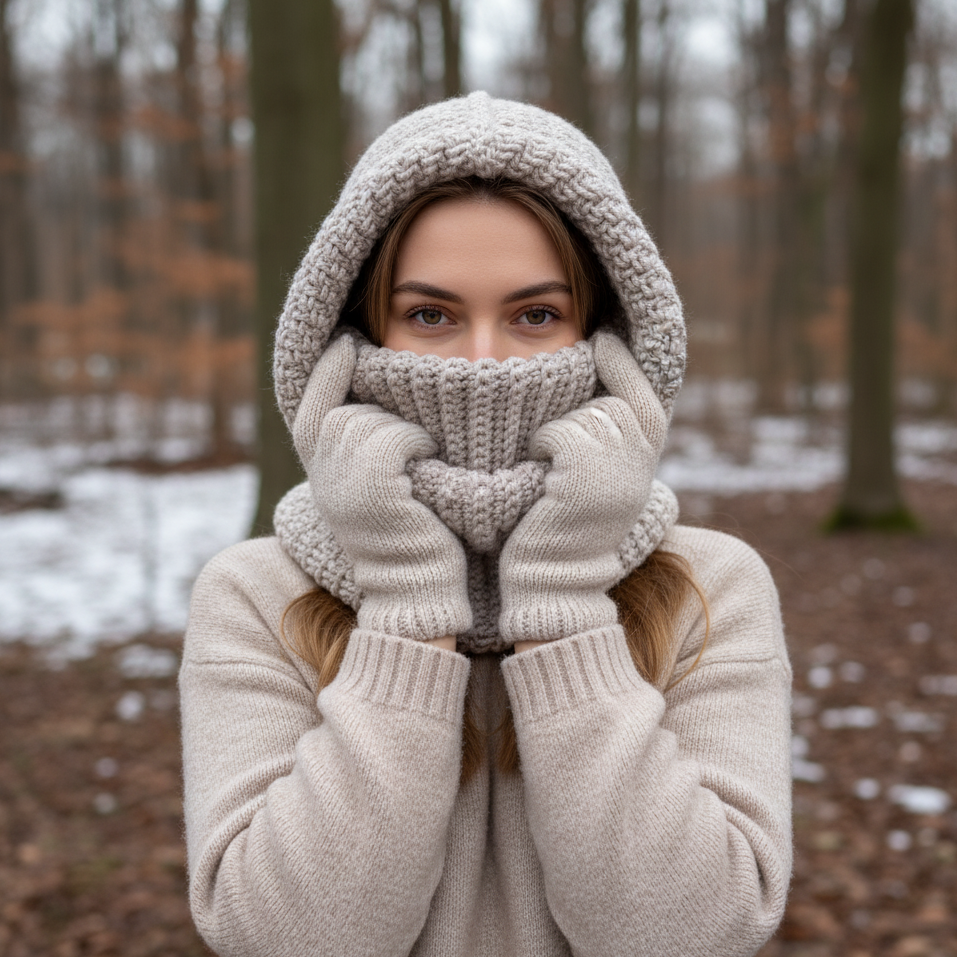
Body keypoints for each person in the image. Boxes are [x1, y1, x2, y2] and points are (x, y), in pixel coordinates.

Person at [180, 92, 792, 957]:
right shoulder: (255, 593)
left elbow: (695, 933)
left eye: (535, 315)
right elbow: (286, 938)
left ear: (610, 337)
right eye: (429, 314)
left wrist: (564, 595)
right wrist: (401, 603)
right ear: (349, 335)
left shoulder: (709, 585)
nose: (481, 363)